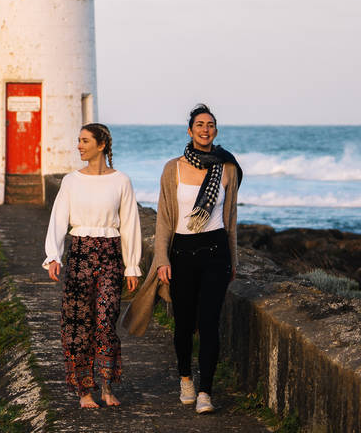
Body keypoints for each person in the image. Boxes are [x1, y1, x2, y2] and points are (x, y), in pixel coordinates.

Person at [122, 103, 242, 415]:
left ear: (216, 131)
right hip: (182, 254)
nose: (206, 129)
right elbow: (163, 219)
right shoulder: (172, 168)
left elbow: (231, 218)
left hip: (216, 251)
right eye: (200, 125)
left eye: (211, 125)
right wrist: (162, 258)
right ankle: (186, 379)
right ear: (190, 131)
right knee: (184, 324)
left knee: (209, 323)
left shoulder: (227, 168)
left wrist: (234, 260)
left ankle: (206, 392)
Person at [42, 123, 142, 408]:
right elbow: (58, 218)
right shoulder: (71, 181)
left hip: (110, 256)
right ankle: (84, 391)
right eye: (78, 140)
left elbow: (131, 224)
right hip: (80, 255)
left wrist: (132, 265)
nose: (79, 146)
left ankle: (108, 387)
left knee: (106, 322)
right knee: (77, 325)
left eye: (85, 141)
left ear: (101, 145)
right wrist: (53, 255)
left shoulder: (121, 181)